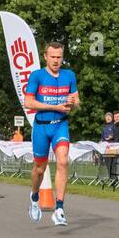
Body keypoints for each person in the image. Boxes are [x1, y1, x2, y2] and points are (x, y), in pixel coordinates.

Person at [22, 40, 78, 226]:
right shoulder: (37, 76)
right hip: (41, 127)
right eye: (52, 57)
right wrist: (54, 106)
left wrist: (72, 102)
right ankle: (35, 196)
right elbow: (28, 103)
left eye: (59, 57)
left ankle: (59, 208)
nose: (55, 60)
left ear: (62, 58)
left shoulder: (69, 75)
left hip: (60, 126)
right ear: (45, 56)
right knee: (40, 169)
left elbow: (76, 102)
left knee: (63, 161)